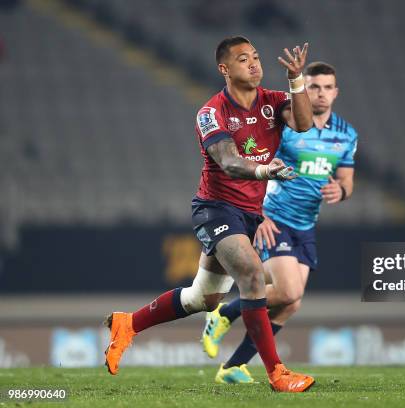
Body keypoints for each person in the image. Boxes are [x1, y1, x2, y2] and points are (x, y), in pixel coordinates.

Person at [104, 35, 316, 393]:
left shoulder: (273, 101)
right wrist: (266, 171)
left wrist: (296, 81)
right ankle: (277, 373)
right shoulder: (211, 112)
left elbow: (304, 124)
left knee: (203, 299)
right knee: (250, 274)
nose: (254, 64)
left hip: (248, 214)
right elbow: (229, 162)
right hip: (215, 209)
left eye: (256, 57)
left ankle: (127, 324)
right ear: (225, 69)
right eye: (243, 59)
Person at [202, 62, 357, 383]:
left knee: (290, 302)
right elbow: (256, 163)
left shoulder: (346, 134)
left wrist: (340, 190)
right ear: (303, 89)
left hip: (306, 224)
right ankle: (224, 315)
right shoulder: (286, 127)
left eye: (328, 87)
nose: (321, 94)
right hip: (275, 219)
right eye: (314, 86)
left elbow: (347, 180)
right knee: (287, 290)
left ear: (336, 92)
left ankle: (233, 367)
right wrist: (261, 215)